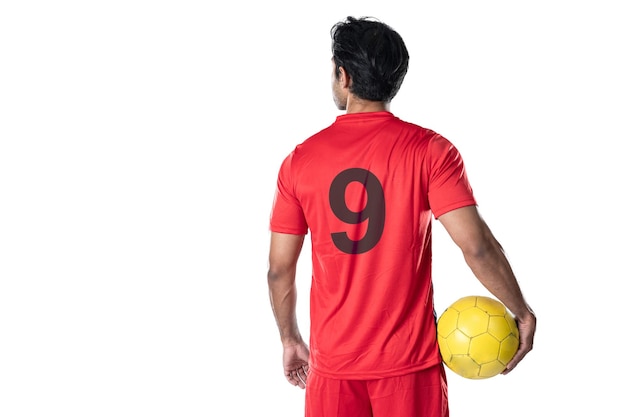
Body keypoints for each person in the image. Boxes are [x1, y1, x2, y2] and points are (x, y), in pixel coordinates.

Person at [266, 16, 536, 417]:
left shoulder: (300, 161)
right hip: (409, 367)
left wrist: (290, 339)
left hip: (334, 370)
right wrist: (522, 310)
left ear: (344, 76)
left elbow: (279, 270)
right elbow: (476, 246)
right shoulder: (431, 150)